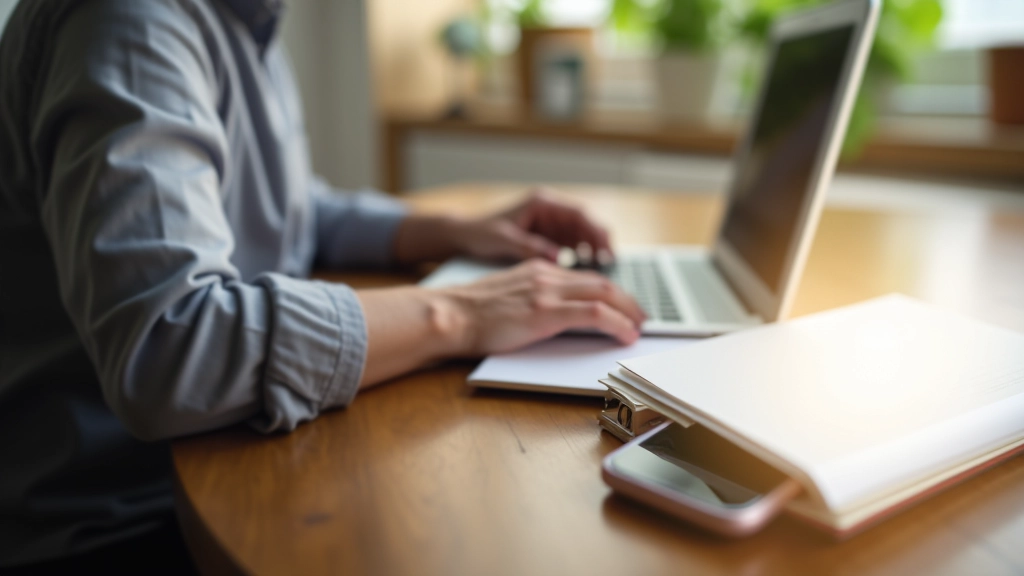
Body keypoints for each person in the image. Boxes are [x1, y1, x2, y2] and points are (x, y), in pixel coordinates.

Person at [0, 0, 645, 572]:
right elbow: (170, 347)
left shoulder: (241, 22)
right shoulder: (132, 24)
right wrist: (459, 314)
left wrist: (457, 231)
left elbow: (290, 210)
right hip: (118, 523)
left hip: (210, 465)